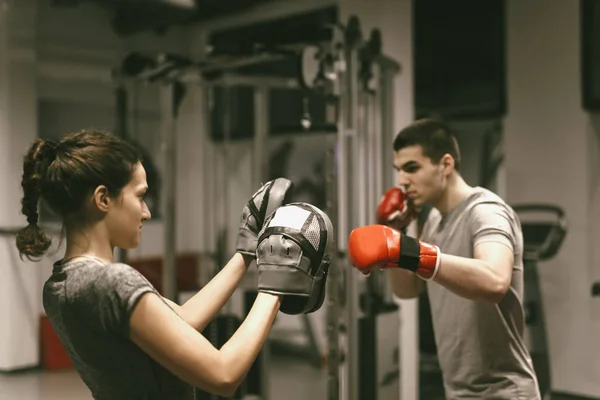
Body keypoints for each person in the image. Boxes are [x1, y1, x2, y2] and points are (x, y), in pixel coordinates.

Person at [14, 128, 319, 399]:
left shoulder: (59, 285)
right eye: (140, 196)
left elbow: (182, 321)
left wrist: (246, 252)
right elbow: (224, 375)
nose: (146, 213)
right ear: (103, 199)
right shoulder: (112, 282)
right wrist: (278, 282)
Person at [348, 119, 541, 399]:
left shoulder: (486, 211)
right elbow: (406, 290)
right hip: (458, 391)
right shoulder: (435, 221)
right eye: (399, 170)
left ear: (446, 164)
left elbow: (496, 281)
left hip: (504, 392)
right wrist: (397, 233)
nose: (402, 180)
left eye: (412, 168)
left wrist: (411, 252)